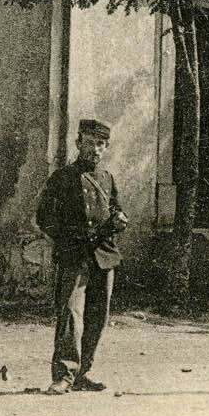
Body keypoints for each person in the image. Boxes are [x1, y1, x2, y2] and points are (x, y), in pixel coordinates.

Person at [34, 118, 127, 395]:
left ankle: (82, 372)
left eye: (100, 144)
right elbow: (44, 218)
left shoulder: (107, 179)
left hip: (104, 256)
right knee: (71, 314)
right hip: (75, 256)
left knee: (98, 316)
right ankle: (64, 374)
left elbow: (115, 210)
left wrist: (119, 220)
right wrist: (67, 241)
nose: (95, 149)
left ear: (106, 148)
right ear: (78, 144)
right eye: (89, 143)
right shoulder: (62, 178)